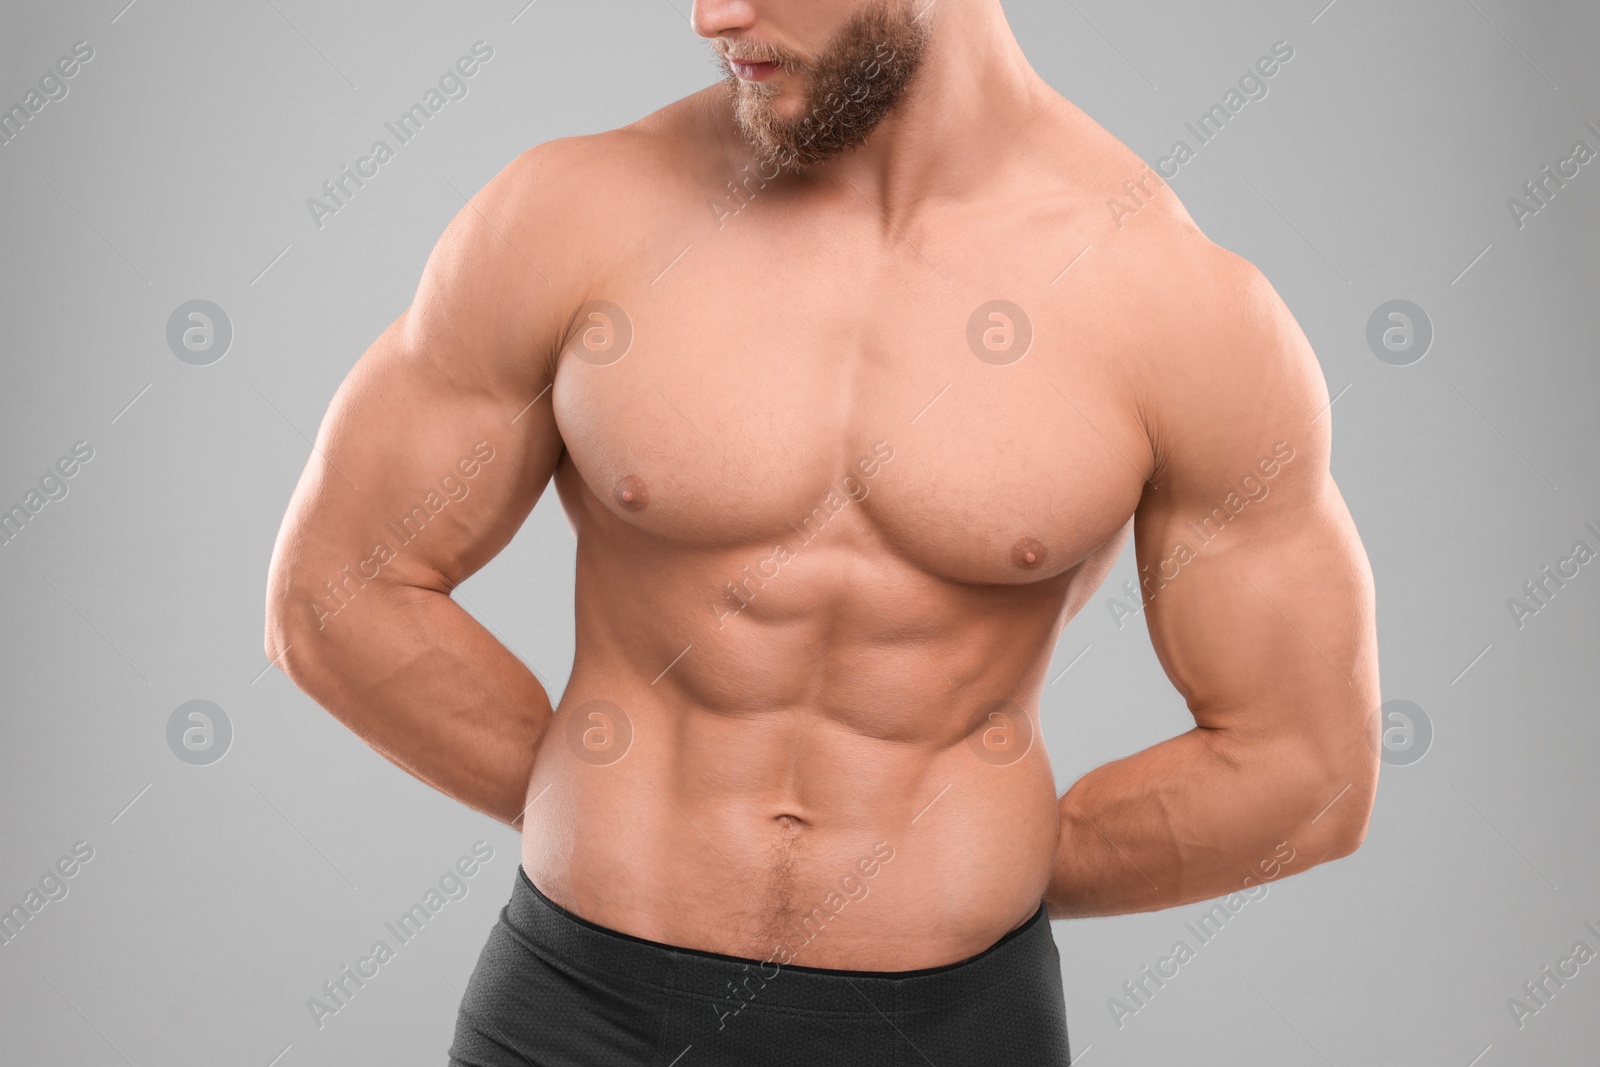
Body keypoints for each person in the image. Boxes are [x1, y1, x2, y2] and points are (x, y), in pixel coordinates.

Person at [263, 1, 1381, 1062]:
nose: (707, 16)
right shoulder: (572, 214)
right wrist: (599, 795)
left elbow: (1305, 762)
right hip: (584, 1011)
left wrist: (983, 855)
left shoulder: (1174, 302)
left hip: (946, 1027)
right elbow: (336, 589)